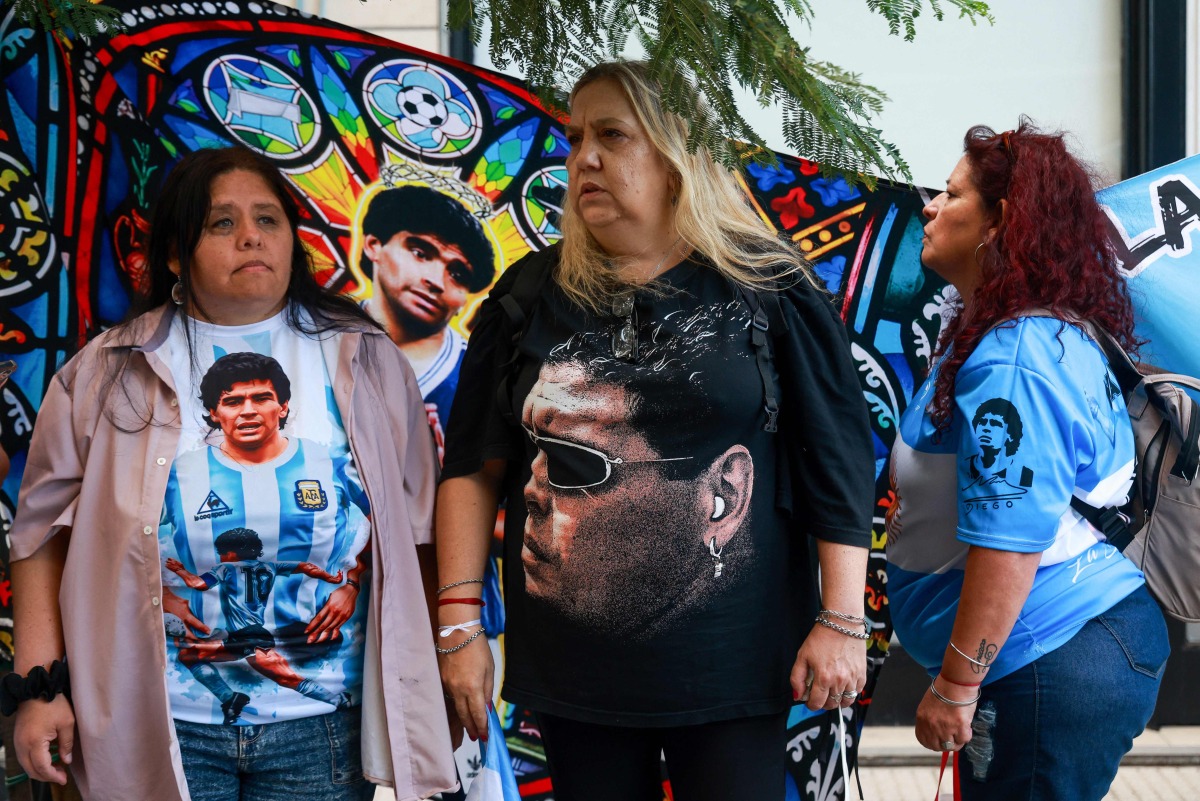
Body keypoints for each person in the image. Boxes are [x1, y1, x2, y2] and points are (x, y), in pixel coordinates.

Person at [435, 60, 874, 801]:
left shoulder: (768, 287)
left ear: (676, 155)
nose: (584, 158)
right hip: (575, 672)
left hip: (735, 663)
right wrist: (458, 625)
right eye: (575, 138)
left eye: (612, 135)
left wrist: (843, 619)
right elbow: (474, 467)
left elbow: (837, 457)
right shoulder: (530, 295)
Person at [6, 146, 456, 801]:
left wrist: (444, 660)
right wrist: (39, 688)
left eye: (268, 219)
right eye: (222, 222)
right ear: (174, 254)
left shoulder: (366, 359)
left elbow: (421, 531)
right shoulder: (105, 373)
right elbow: (40, 536)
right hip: (156, 726)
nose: (251, 236)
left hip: (324, 726)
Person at [885, 121, 1169, 800]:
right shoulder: (1026, 332)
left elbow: (1012, 540)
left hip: (1049, 660)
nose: (929, 206)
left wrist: (956, 686)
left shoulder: (1013, 359)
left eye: (951, 194)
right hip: (1054, 655)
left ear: (1000, 222)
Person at [360, 183, 496, 434]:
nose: (436, 281)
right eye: (420, 253)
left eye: (457, 274)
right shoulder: (320, 339)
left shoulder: (479, 379)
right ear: (374, 245)